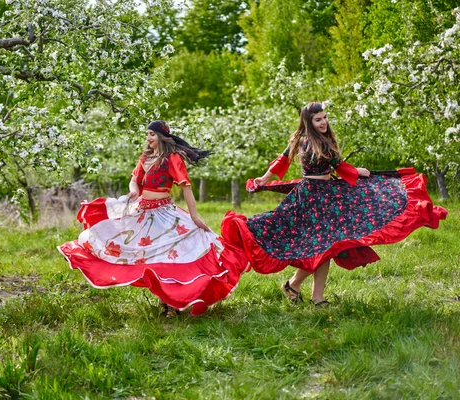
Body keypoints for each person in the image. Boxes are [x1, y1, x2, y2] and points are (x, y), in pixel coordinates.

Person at [221, 102, 447, 306]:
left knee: (324, 246)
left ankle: (302, 290)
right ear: (308, 122)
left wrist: (357, 173)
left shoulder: (323, 141)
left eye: (325, 117)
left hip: (327, 197)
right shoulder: (304, 141)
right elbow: (285, 161)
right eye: (318, 119)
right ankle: (303, 290)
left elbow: (336, 168)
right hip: (310, 198)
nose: (323, 122)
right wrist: (264, 179)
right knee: (320, 246)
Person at [59, 120, 249, 316]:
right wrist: (133, 192)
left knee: (167, 259)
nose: (148, 138)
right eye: (147, 134)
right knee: (147, 257)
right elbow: (134, 179)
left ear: (161, 136)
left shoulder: (172, 158)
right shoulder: (145, 157)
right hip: (142, 212)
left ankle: (172, 305)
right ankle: (166, 301)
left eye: (152, 134)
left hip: (164, 214)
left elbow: (186, 188)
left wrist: (194, 217)